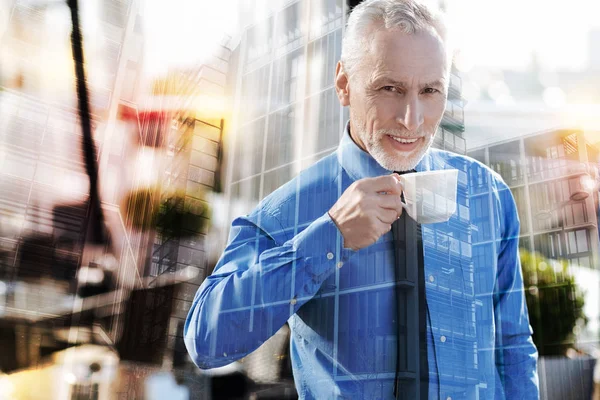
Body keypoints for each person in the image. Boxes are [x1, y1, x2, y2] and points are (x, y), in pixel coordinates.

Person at [184, 0, 539, 398]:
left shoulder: (488, 196)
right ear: (344, 84)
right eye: (390, 88)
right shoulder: (286, 212)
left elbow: (513, 346)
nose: (411, 118)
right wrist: (328, 237)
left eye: (429, 90)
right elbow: (206, 343)